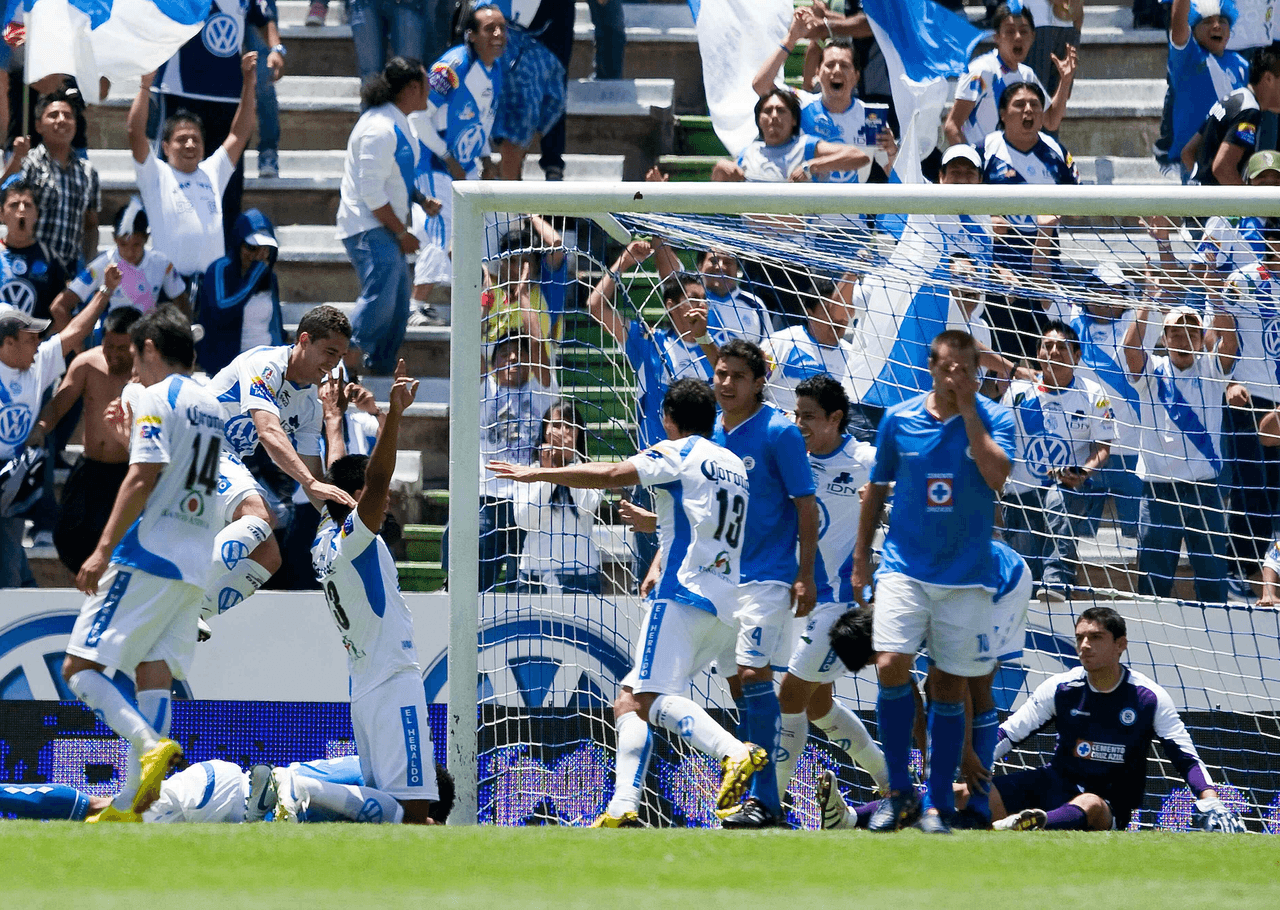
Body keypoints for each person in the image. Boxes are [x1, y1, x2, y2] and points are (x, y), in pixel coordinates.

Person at [489, 378, 769, 828]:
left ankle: (732, 752)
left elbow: (612, 474)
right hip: (728, 598)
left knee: (647, 697)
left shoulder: (680, 451)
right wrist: (657, 532)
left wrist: (537, 472)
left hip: (684, 594)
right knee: (629, 700)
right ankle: (623, 805)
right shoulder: (733, 462)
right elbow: (704, 519)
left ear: (668, 419)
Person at [60, 307, 225, 822]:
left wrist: (102, 548)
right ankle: (136, 804)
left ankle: (148, 743)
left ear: (150, 348)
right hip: (195, 561)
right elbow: (182, 471)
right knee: (153, 671)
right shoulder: (211, 404)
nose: (132, 369)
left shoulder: (158, 396)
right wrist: (135, 436)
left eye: (134, 355)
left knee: (79, 668)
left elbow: (142, 477)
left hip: (149, 553)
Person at [852, 329, 1016, 834]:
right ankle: (899, 790)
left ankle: (938, 803)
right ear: (931, 367)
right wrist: (862, 558)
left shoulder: (995, 418)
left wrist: (969, 412)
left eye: (964, 368)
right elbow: (877, 489)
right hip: (903, 567)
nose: (955, 376)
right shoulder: (899, 420)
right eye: (946, 367)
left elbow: (998, 476)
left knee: (948, 684)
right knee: (890, 663)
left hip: (966, 577)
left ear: (976, 370)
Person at [303, 361, 444, 825]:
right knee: (415, 813)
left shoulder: (326, 536)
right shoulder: (356, 537)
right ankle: (304, 791)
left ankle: (312, 793)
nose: (382, 505)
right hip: (392, 681)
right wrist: (396, 416)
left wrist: (332, 419)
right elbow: (375, 483)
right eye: (370, 497)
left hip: (362, 688)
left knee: (393, 810)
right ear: (358, 497)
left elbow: (338, 476)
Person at [817, 536, 1033, 830]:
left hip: (1000, 583)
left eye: (873, 659)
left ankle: (979, 808)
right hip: (954, 581)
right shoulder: (885, 622)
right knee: (934, 685)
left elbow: (958, 687)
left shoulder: (914, 612)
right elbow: (909, 699)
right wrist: (926, 755)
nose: (878, 666)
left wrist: (966, 754)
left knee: (974, 683)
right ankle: (937, 800)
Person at [989, 607, 1244, 831]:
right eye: (1080, 638)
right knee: (969, 794)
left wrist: (1209, 798)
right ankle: (1001, 824)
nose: (1084, 645)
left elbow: (1186, 758)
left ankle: (1030, 826)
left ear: (1120, 644)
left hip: (1108, 803)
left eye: (1095, 637)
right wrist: (968, 762)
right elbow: (1009, 733)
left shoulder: (1149, 697)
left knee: (1090, 803)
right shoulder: (1060, 688)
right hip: (1053, 784)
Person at [711, 339, 819, 828]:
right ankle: (764, 791)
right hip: (715, 579)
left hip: (768, 577)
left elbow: (805, 505)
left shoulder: (780, 432)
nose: (726, 383)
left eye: (736, 376)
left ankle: (767, 800)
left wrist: (805, 572)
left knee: (756, 676)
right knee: (738, 686)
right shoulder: (709, 432)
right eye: (720, 373)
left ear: (759, 383)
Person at [772, 375, 890, 804]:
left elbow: (915, 479)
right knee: (818, 705)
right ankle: (892, 779)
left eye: (809, 416)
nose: (799, 423)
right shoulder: (789, 456)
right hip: (795, 599)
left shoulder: (865, 458)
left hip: (839, 604)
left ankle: (769, 800)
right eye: (796, 414)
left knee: (790, 693)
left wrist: (883, 496)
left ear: (836, 418)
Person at [203, 305, 356, 615]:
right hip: (199, 444)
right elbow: (269, 432)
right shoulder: (265, 363)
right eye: (328, 352)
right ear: (304, 340)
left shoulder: (311, 404)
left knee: (268, 556)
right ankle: (187, 600)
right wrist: (313, 482)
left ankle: (197, 614)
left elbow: (312, 476)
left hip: (223, 458)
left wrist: (346, 523)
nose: (333, 365)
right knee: (260, 514)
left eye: (339, 357)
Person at [582, 241, 717, 581]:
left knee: (705, 568)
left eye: (704, 298)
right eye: (693, 297)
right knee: (651, 575)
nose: (702, 304)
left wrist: (704, 340)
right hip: (655, 470)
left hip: (704, 472)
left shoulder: (716, 351)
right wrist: (625, 260)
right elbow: (595, 305)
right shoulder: (649, 340)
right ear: (671, 305)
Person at [0, 277, 114, 586]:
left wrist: (105, 291)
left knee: (10, 557)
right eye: (30, 336)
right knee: (9, 570)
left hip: (12, 486)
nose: (39, 341)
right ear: (8, 343)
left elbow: (76, 331)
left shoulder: (36, 364)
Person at [1122, 304, 1238, 604]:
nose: (1183, 339)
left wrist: (1216, 296)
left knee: (1213, 579)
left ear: (1201, 339)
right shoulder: (1152, 372)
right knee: (1152, 584)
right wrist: (1147, 302)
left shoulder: (1212, 369)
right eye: (1175, 332)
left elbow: (1232, 341)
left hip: (1205, 492)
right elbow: (1130, 347)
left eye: (1190, 333)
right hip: (1159, 493)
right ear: (1164, 338)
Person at [1001, 321, 1116, 601]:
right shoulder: (1017, 393)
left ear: (1077, 355)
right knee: (1023, 574)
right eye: (1046, 346)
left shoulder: (1094, 394)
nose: (1053, 352)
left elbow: (1103, 446)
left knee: (1059, 499)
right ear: (1038, 353)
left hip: (1067, 489)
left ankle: (1058, 584)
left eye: (1062, 347)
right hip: (1020, 492)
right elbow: (1000, 441)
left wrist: (1084, 472)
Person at [151, 2, 282, 243]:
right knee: (173, 177)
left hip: (230, 96)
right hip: (182, 91)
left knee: (228, 184)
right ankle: (167, 248)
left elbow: (262, 17)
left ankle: (223, 259)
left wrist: (276, 48)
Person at [25, 306, 141, 574]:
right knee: (67, 536)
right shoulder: (87, 363)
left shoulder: (150, 375)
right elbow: (58, 405)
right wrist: (41, 428)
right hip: (90, 468)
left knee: (123, 545)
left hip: (128, 471)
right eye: (108, 345)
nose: (112, 353)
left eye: (121, 348)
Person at [127, 53, 258, 286]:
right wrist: (145, 86)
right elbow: (135, 132)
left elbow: (240, 133)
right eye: (182, 139)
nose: (190, 144)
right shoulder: (155, 174)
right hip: (170, 286)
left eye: (195, 139)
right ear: (165, 147)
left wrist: (248, 82)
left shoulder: (213, 171)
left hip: (211, 286)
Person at [336, 57, 427, 375]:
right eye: (425, 83)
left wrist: (420, 199)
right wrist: (403, 234)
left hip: (384, 225)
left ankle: (380, 366)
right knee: (383, 293)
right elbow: (371, 193)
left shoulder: (399, 122)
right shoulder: (378, 127)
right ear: (413, 87)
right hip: (368, 226)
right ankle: (346, 357)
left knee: (401, 303)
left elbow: (395, 176)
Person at [411, 5, 506, 302]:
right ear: (471, 35)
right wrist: (447, 156)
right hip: (433, 163)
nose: (499, 34)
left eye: (502, 27)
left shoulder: (497, 69)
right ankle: (418, 306)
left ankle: (469, 307)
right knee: (444, 229)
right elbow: (416, 116)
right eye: (490, 29)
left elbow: (481, 119)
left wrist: (488, 157)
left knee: (478, 232)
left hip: (464, 165)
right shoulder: (452, 66)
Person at [753, 13, 898, 187]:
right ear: (817, 73)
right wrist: (791, 39)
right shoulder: (800, 104)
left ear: (856, 76)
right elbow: (761, 85)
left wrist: (891, 151)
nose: (836, 71)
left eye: (844, 65)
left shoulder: (870, 117)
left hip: (849, 213)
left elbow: (893, 173)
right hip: (805, 212)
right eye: (829, 65)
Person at [1219, 218, 1280, 591]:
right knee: (1250, 489)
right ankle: (1242, 571)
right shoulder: (1241, 281)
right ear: (1268, 240)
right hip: (1250, 399)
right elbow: (1217, 332)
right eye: (1276, 236)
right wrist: (1228, 381)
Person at [1066, 263, 1145, 539]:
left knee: (1139, 539)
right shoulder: (1071, 323)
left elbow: (1164, 299)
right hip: (1084, 450)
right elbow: (1039, 277)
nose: (1105, 293)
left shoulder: (1137, 325)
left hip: (1133, 451)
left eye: (1114, 287)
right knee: (1076, 539)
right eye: (1099, 286)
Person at [945, 4, 1076, 149]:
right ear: (997, 37)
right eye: (1010, 31)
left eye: (1024, 31)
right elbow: (952, 126)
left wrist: (1065, 81)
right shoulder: (981, 71)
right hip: (984, 164)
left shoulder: (1027, 75)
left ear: (1033, 37)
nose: (1018, 37)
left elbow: (1051, 121)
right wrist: (971, 165)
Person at [3, 89, 100, 274]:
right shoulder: (28, 163)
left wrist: (87, 266)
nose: (61, 120)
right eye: (53, 115)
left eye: (68, 115)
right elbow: (3, 196)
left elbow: (90, 224)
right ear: (39, 126)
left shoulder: (88, 172)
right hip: (27, 267)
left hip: (66, 274)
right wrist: (16, 160)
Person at [511, 401, 603, 594]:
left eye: (569, 426)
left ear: (579, 433)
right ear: (544, 430)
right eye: (556, 425)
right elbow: (525, 520)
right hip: (533, 573)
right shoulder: (526, 472)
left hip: (580, 572)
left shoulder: (592, 470)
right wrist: (548, 475)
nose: (562, 432)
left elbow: (586, 507)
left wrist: (566, 465)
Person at [712, 88, 871, 183]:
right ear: (759, 120)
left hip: (797, 239)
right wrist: (720, 170)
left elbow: (859, 156)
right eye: (767, 111)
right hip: (752, 239)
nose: (774, 116)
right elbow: (715, 196)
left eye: (781, 110)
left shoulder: (806, 146)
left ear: (794, 120)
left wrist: (812, 167)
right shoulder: (748, 153)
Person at [1167, 0, 1250, 181]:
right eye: (1207, 21)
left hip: (1230, 161)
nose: (1216, 26)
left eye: (1223, 21)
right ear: (1193, 30)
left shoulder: (1241, 64)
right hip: (1194, 162)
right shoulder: (1188, 57)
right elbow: (1178, 26)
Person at [194, 208, 283, 376]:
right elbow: (221, 312)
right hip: (227, 366)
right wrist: (251, 280)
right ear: (238, 243)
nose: (258, 255)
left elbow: (276, 324)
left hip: (265, 363)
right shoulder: (219, 269)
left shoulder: (270, 278)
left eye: (265, 248)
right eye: (251, 247)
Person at [486, 0, 568, 181]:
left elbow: (555, 101)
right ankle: (508, 189)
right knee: (513, 133)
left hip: (531, 44)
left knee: (542, 108)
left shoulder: (545, 61)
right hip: (507, 47)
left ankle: (510, 184)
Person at [66, 200, 189, 319]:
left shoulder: (162, 264)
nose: (130, 252)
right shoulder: (100, 265)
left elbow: (182, 302)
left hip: (147, 332)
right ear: (114, 238)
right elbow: (62, 304)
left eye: (136, 245)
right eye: (123, 244)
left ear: (146, 239)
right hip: (111, 334)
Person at [764, 274, 860, 415]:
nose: (838, 317)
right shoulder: (781, 344)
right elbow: (752, 389)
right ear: (809, 313)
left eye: (843, 310)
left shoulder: (853, 356)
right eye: (830, 310)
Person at [1188, 44, 1280, 184]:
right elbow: (1222, 168)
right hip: (1213, 204)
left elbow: (1188, 152)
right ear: (1268, 78)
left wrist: (1199, 184)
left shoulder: (1234, 98)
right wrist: (1250, 204)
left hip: (1199, 199)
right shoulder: (1249, 112)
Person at [0, 180, 79, 325]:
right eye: (14, 204)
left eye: (28, 205)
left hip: (36, 344)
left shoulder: (51, 260)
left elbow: (62, 312)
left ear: (37, 214)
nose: (21, 210)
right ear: (1, 214)